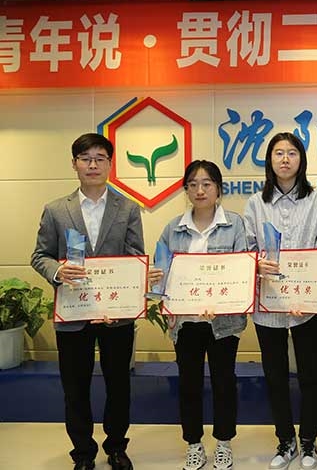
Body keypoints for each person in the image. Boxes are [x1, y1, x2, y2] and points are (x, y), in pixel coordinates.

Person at [31, 133, 143, 470]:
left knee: (118, 385)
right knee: (75, 387)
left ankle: (116, 447)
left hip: (115, 314)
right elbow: (40, 255)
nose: (92, 165)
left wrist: (121, 301)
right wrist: (57, 271)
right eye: (85, 158)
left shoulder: (128, 208)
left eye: (99, 158)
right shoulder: (56, 210)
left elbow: (135, 257)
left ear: (110, 164)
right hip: (73, 312)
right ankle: (82, 453)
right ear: (74, 164)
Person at [148, 160, 247, 470]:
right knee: (189, 384)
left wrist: (223, 300)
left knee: (224, 383)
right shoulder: (172, 228)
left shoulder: (235, 225)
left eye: (206, 183)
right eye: (192, 184)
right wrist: (156, 285)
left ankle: (223, 443)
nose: (200, 190)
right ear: (186, 190)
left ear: (218, 188)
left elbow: (242, 271)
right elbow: (161, 276)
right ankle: (193, 444)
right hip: (186, 322)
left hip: (223, 323)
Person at [243, 133, 317, 470]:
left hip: (306, 304)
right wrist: (256, 262)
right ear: (269, 160)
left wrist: (307, 293)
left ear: (301, 160)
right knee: (275, 375)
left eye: (291, 153)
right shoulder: (256, 203)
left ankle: (308, 441)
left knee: (310, 374)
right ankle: (285, 440)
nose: (284, 159)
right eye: (278, 153)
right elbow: (248, 247)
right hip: (268, 304)